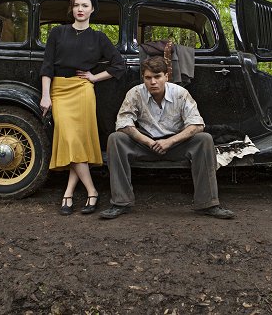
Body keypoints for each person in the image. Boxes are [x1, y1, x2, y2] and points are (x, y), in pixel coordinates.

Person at [100, 56, 234, 219]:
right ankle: (121, 203)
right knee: (116, 139)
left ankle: (208, 204)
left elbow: (197, 124)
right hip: (146, 143)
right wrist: (147, 141)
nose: (153, 82)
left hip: (175, 143)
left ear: (166, 76)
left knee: (204, 139)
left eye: (157, 77)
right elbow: (123, 122)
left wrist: (170, 141)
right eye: (148, 78)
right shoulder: (135, 93)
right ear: (143, 78)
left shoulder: (180, 93)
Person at [39, 0, 125, 216]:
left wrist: (95, 77)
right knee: (69, 139)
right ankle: (92, 190)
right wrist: (45, 95)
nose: (80, 9)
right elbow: (47, 66)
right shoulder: (58, 33)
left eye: (85, 5)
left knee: (76, 143)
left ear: (92, 9)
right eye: (77, 5)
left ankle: (68, 194)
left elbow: (119, 65)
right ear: (72, 8)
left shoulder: (99, 37)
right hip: (59, 90)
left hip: (83, 91)